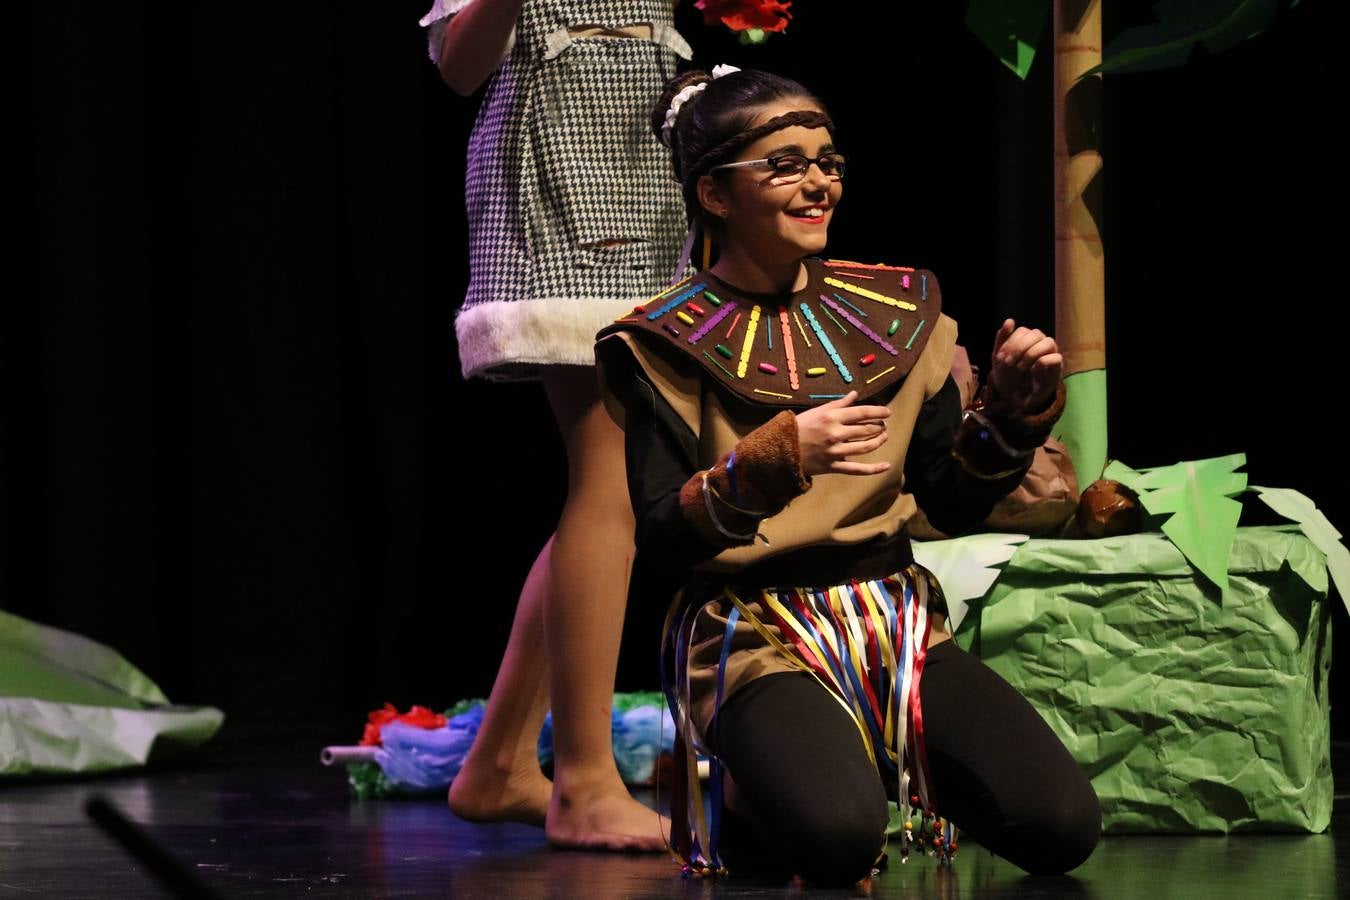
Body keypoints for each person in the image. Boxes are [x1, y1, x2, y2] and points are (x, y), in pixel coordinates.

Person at [594, 67, 1102, 883]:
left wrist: (1007, 415)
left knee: (1061, 827)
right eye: (786, 164)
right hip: (752, 636)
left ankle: (842, 757)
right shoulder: (659, 342)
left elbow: (948, 497)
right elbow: (660, 539)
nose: (819, 182)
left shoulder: (899, 314)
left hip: (892, 626)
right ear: (715, 195)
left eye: (827, 161)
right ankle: (764, 788)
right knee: (837, 841)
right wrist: (775, 460)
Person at [418, 0, 690, 850]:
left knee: (612, 482)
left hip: (646, 163)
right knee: (609, 478)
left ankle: (499, 762)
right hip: (559, 173)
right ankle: (582, 780)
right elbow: (460, 64)